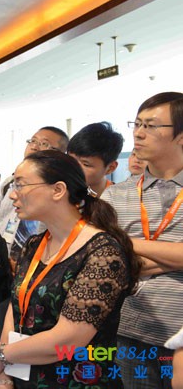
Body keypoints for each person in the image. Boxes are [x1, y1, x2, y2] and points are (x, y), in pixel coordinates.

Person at [0, 150, 139, 388]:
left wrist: (2, 354)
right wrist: (5, 373)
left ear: (58, 190)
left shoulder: (103, 253)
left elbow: (68, 340)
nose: (13, 195)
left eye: (21, 185)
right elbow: (16, 305)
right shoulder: (35, 244)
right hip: (24, 374)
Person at [101, 92, 183, 388]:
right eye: (136, 124)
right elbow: (105, 260)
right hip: (129, 331)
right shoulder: (115, 195)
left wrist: (127, 243)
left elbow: (118, 250)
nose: (138, 133)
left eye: (151, 125)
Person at [0, 126, 69, 267]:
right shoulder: (9, 182)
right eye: (32, 141)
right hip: (3, 260)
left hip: (42, 263)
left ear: (61, 154)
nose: (34, 147)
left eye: (44, 143)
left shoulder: (59, 189)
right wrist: (1, 250)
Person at [67, 121, 123, 197]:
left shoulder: (120, 200)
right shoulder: (60, 193)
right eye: (71, 160)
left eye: (85, 164)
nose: (74, 168)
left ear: (110, 168)